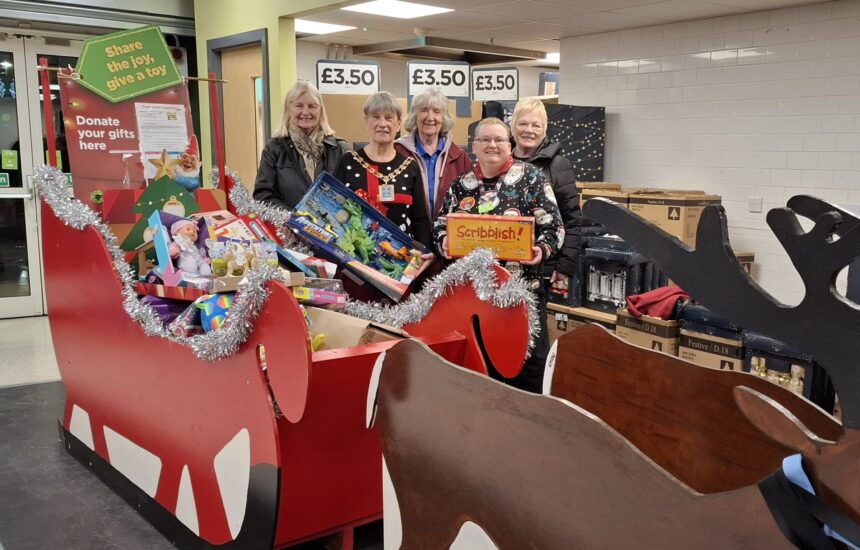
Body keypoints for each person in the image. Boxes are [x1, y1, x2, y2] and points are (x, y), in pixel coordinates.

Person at [433, 117, 563, 393]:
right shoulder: (461, 185)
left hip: (522, 291)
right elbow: (441, 224)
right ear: (474, 146)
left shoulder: (531, 178)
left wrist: (541, 249)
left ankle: (528, 426)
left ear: (509, 145)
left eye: (499, 140)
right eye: (485, 140)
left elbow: (554, 225)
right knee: (484, 362)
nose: (492, 145)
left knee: (528, 365)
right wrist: (444, 241)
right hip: (475, 296)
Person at [510, 98, 586, 301]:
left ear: (545, 129)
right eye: (523, 124)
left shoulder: (558, 165)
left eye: (536, 125)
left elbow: (571, 218)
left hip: (541, 263)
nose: (529, 130)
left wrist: (564, 266)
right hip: (504, 260)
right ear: (513, 126)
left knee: (534, 325)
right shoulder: (502, 161)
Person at [334, 91, 432, 248]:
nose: (382, 124)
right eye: (376, 117)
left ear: (398, 123)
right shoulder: (348, 161)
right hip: (354, 255)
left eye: (389, 117)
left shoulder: (410, 166)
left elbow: (419, 219)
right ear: (366, 121)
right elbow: (333, 207)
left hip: (400, 257)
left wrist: (425, 252)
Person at [254, 80, 349, 209]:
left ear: (320, 110)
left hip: (331, 227)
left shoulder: (339, 149)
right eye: (299, 106)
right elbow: (263, 195)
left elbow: (351, 195)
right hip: (288, 227)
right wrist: (293, 219)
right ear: (288, 110)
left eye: (312, 106)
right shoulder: (274, 149)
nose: (305, 112)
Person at [394, 88, 472, 220]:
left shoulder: (459, 157)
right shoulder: (398, 151)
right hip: (409, 234)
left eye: (436, 112)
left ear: (444, 118)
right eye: (424, 110)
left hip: (447, 234)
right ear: (415, 115)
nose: (430, 118)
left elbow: (470, 199)